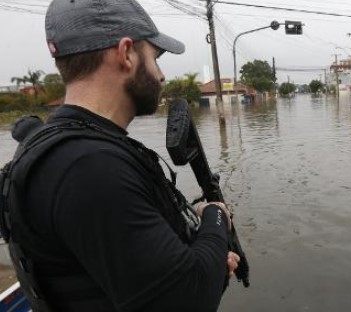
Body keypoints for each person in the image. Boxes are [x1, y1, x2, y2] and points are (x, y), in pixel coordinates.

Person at [0, 0, 239, 311]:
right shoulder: (88, 166)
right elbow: (190, 299)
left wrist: (194, 230)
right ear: (126, 53)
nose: (162, 75)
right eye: (154, 58)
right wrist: (216, 216)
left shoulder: (61, 149)